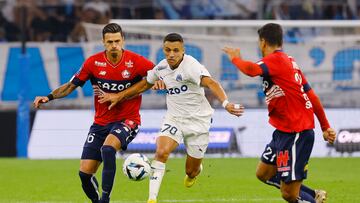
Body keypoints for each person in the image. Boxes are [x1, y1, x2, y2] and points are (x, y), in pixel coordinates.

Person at [97, 33, 244, 203]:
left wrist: (226, 104)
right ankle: (152, 199)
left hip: (199, 121)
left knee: (191, 171)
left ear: (183, 51)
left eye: (175, 50)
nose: (171, 54)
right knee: (161, 152)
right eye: (167, 50)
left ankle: (194, 172)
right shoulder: (161, 68)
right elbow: (145, 84)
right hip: (174, 119)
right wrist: (119, 96)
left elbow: (212, 83)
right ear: (163, 50)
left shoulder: (192, 66)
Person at [33, 23, 155, 203]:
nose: (114, 45)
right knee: (84, 174)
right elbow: (70, 86)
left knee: (108, 149)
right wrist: (49, 97)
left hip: (128, 120)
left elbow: (155, 76)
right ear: (103, 42)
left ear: (123, 40)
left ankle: (106, 198)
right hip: (100, 123)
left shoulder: (136, 61)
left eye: (117, 41)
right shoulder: (93, 63)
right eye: (110, 42)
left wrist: (124, 94)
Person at [222, 23, 336, 203]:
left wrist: (236, 59)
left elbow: (251, 70)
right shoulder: (289, 61)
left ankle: (309, 199)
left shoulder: (275, 60)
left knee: (289, 194)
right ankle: (313, 195)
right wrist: (325, 126)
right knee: (264, 173)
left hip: (296, 132)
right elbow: (310, 94)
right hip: (283, 132)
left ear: (263, 42)